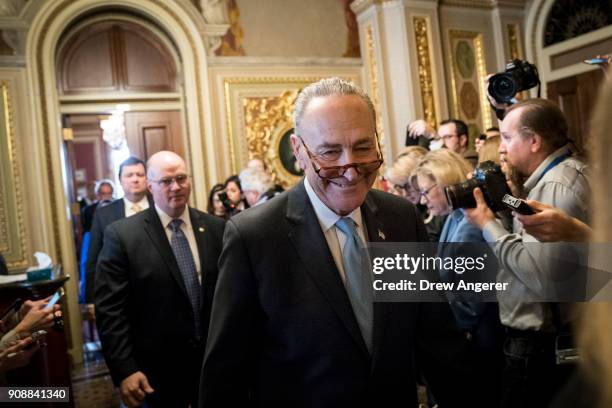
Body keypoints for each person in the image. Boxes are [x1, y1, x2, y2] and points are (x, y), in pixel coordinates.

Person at [200, 77, 471, 407]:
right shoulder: (255, 236)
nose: (351, 169)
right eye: (330, 151)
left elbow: (437, 342)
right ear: (299, 150)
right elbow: (225, 375)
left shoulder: (399, 219)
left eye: (362, 147)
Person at [464, 98, 590, 408]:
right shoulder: (565, 172)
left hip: (544, 345)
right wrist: (507, 201)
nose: (501, 148)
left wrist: (487, 224)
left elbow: (539, 274)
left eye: (507, 137)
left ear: (534, 141)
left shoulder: (557, 185)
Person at [95, 151, 225, 408]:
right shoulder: (123, 236)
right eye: (166, 181)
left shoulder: (216, 228)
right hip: (155, 371)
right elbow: (111, 311)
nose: (176, 187)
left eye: (181, 178)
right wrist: (125, 369)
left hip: (212, 366)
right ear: (150, 186)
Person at [415, 149, 503, 406]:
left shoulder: (468, 227)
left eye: (425, 191)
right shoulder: (456, 217)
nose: (422, 201)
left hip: (480, 339)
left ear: (444, 183)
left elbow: (472, 298)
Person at [84, 157, 149, 304]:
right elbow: (93, 258)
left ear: (147, 179)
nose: (135, 179)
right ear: (120, 180)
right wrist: (90, 300)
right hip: (119, 294)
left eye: (140, 175)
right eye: (129, 175)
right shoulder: (104, 214)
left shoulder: (161, 208)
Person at [408, 118, 478, 167]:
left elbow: (451, 167)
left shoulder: (471, 157)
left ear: (462, 139)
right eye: (440, 137)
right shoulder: (434, 160)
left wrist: (434, 137)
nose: (442, 141)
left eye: (447, 137)